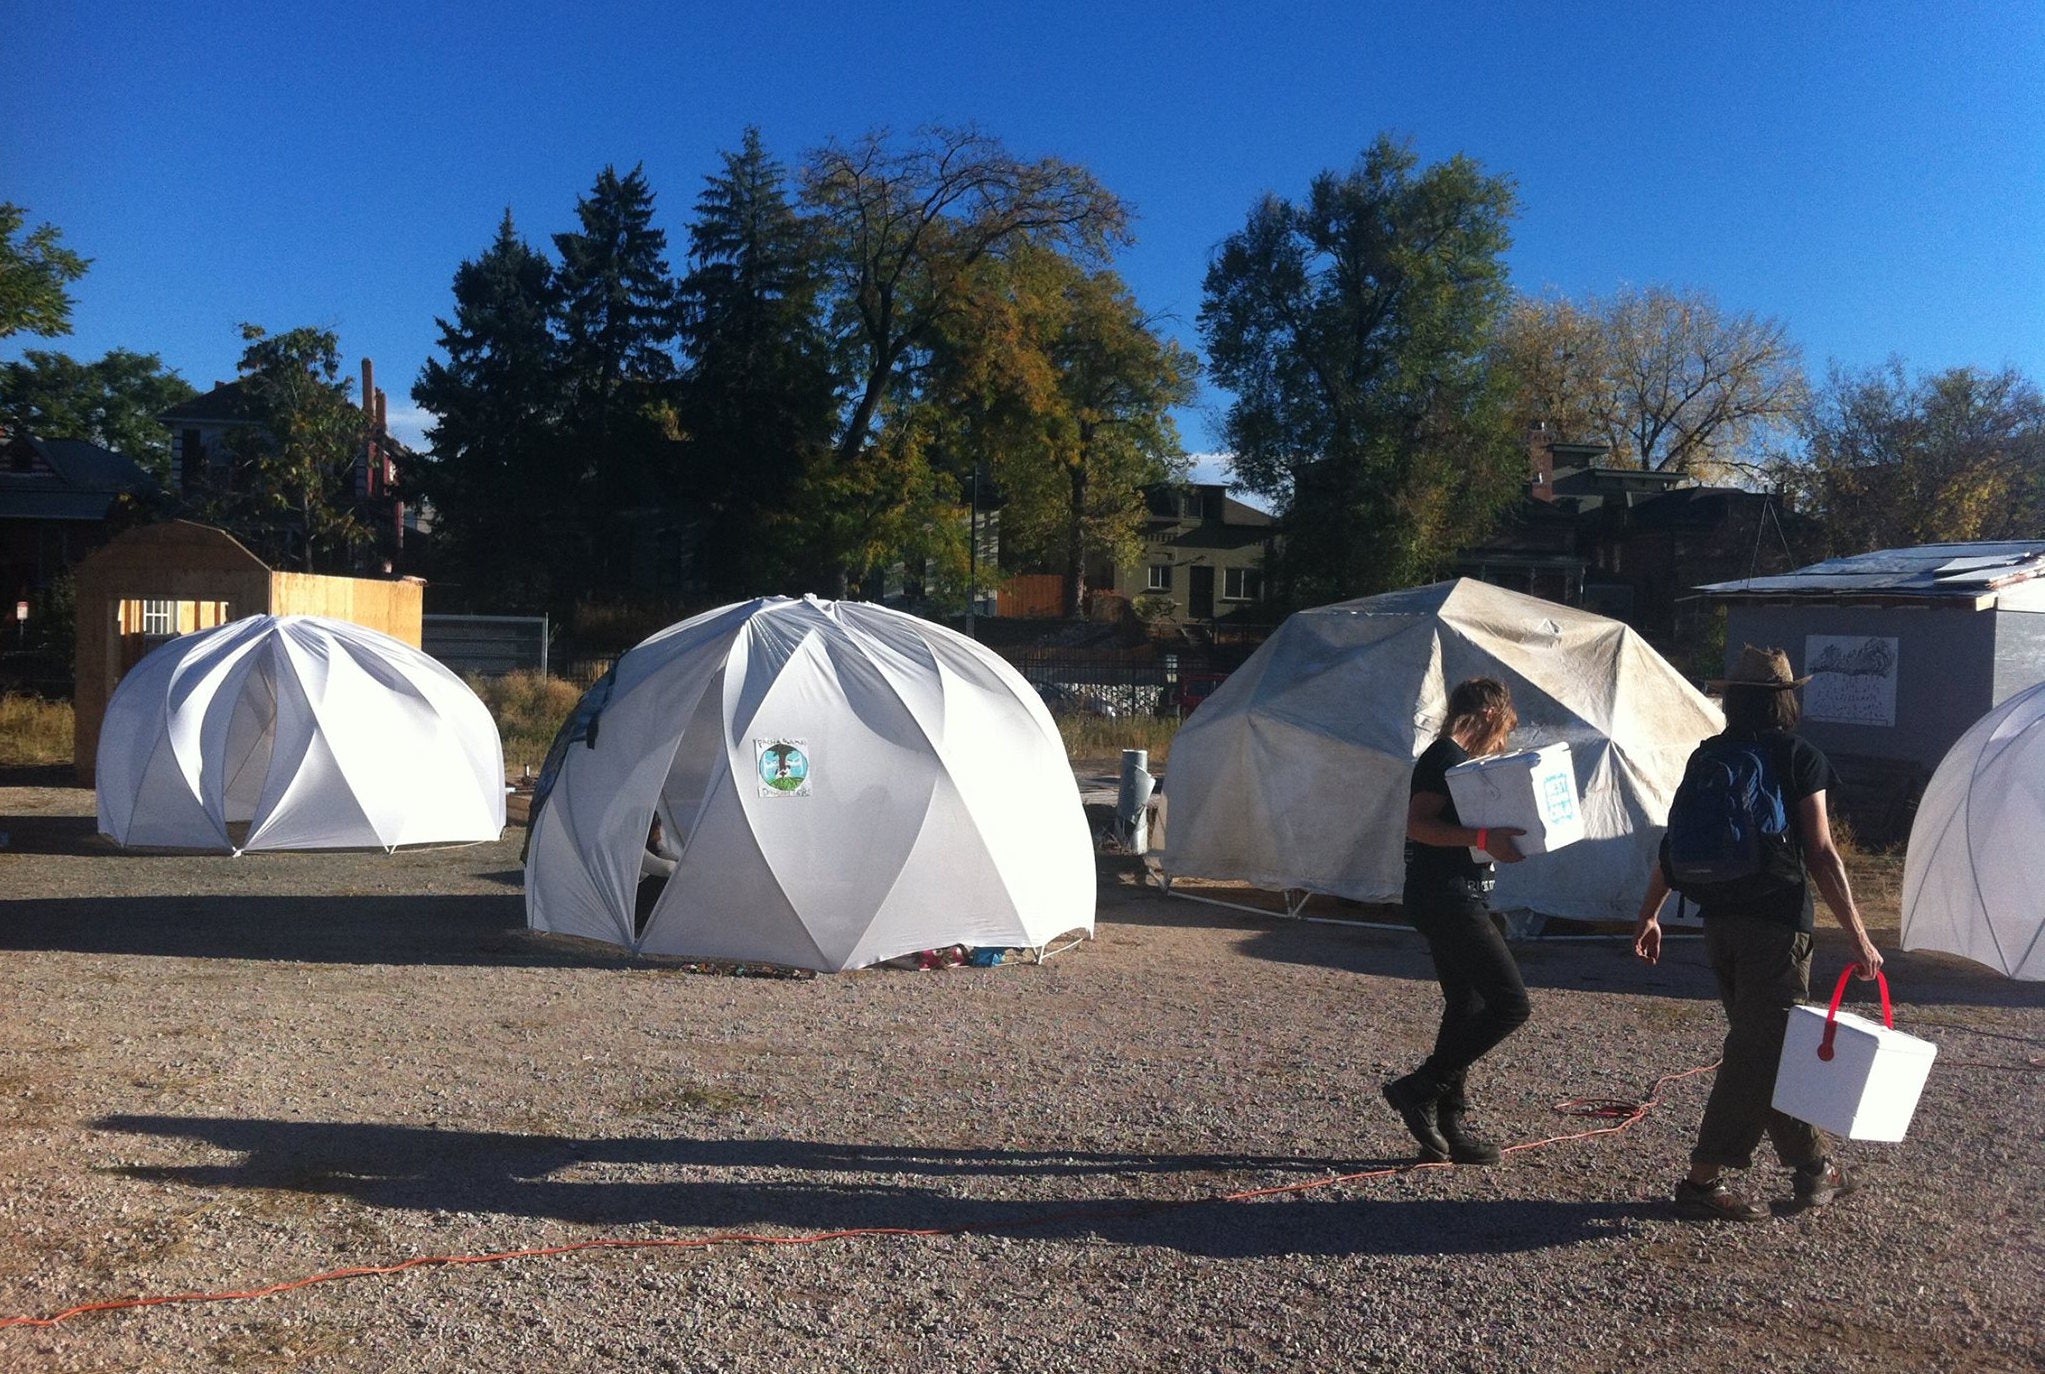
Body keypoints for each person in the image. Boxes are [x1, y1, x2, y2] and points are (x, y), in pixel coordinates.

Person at [1633, 644, 1883, 1221]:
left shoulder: (1710, 754)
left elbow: (1675, 843)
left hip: (1717, 922)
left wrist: (1650, 912)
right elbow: (1821, 852)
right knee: (1757, 1053)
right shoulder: (1799, 755)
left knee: (1765, 1048)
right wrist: (1860, 936)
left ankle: (1814, 1170)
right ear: (1787, 699)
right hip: (1776, 927)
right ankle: (1701, 1182)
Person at [1384, 677, 1531, 1165]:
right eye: (1505, 727)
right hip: (1446, 899)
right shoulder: (1443, 758)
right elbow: (1419, 824)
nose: (1504, 739)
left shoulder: (1462, 764)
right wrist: (1486, 837)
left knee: (1466, 1007)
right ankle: (1421, 1088)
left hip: (1456, 895)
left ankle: (1451, 1122)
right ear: (1490, 715)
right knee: (1510, 1004)